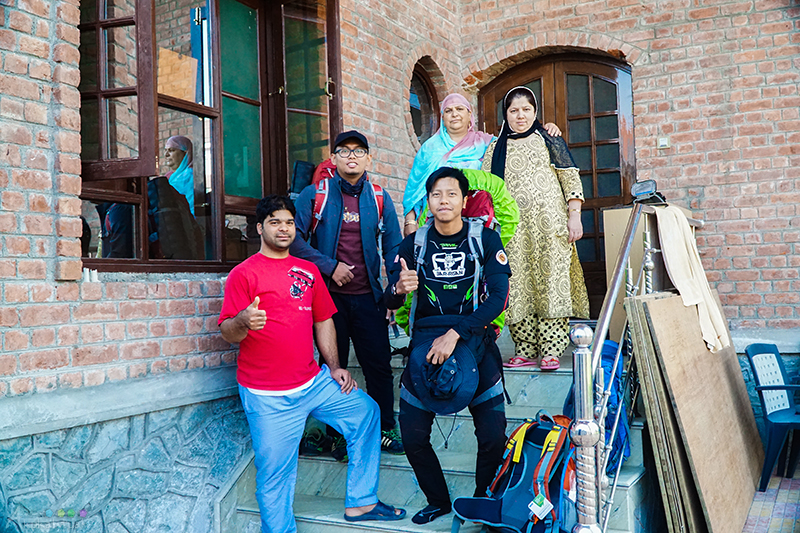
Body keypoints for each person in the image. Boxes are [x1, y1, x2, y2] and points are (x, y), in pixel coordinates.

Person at [218, 195, 405, 532]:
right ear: (260, 228)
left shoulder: (308, 271)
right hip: (268, 396)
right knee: (274, 475)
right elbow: (228, 332)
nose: (283, 228)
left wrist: (334, 367)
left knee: (366, 413)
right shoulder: (243, 274)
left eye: (289, 222)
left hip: (313, 382)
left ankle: (362, 502)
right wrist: (243, 320)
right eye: (275, 222)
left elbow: (323, 320)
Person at [385, 167, 511, 524]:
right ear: (428, 201)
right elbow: (389, 301)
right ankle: (437, 500)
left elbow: (498, 298)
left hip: (474, 341)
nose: (444, 200)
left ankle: (483, 500)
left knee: (492, 435)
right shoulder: (413, 244)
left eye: (451, 193)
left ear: (464, 200)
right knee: (412, 435)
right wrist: (398, 289)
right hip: (424, 347)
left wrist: (455, 333)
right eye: (436, 194)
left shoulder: (485, 239)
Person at [291, 130, 405, 459]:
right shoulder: (315, 195)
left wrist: (393, 291)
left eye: (358, 151)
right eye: (344, 151)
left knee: (378, 366)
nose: (351, 156)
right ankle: (337, 434)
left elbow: (393, 247)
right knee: (333, 367)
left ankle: (385, 428)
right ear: (334, 158)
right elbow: (294, 241)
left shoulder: (379, 198)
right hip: (329, 300)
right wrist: (330, 267)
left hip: (369, 298)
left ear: (368, 158)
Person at [482, 86, 590, 371]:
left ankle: (552, 350)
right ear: (505, 115)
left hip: (551, 227)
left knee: (551, 281)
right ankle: (525, 348)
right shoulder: (495, 147)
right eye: (514, 111)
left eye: (526, 110)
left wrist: (575, 216)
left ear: (535, 112)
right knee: (517, 285)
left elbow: (570, 178)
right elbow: (487, 188)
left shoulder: (549, 138)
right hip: (512, 230)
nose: (520, 116)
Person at [402, 93, 561, 237]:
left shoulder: (487, 143)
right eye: (448, 111)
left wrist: (542, 129)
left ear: (469, 114)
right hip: (436, 220)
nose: (454, 114)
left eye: (459, 109)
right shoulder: (429, 149)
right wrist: (410, 222)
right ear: (442, 117)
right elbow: (414, 190)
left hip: (478, 221)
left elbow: (516, 145)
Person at [163, 135, 195, 215]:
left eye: (171, 150)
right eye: (165, 150)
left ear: (185, 153)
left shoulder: (191, 176)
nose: (166, 155)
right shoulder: (168, 177)